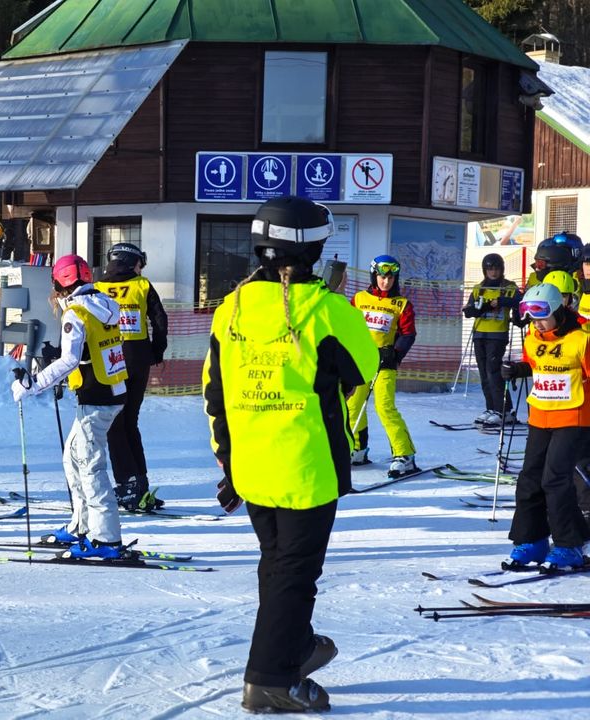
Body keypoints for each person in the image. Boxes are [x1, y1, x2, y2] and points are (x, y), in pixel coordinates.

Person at [203, 196, 378, 713]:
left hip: (251, 464)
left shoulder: (230, 308)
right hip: (307, 466)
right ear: (314, 250)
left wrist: (225, 455)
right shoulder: (328, 310)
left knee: (276, 564)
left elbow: (215, 391)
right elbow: (364, 368)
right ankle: (270, 679)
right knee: (295, 575)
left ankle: (296, 646)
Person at [10, 254, 130, 559]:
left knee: (90, 467)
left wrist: (33, 384)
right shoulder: (103, 303)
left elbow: (70, 360)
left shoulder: (76, 312)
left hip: (96, 396)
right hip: (110, 391)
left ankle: (106, 539)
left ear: (58, 285)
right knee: (72, 457)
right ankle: (81, 525)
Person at [500, 283, 590, 570]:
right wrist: (517, 369)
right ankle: (533, 540)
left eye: (542, 316)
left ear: (558, 311)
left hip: (573, 418)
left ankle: (569, 544)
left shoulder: (581, 340)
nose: (537, 323)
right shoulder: (532, 337)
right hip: (540, 416)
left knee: (555, 479)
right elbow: (535, 364)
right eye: (532, 317)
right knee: (529, 479)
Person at [93, 242, 169, 511]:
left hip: (110, 360)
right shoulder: (143, 286)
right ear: (130, 262)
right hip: (138, 359)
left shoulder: (97, 288)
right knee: (130, 421)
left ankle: (128, 484)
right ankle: (140, 484)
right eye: (139, 264)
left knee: (116, 423)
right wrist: (156, 351)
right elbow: (160, 321)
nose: (140, 270)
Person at [345, 254, 418, 477]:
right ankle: (358, 449)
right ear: (374, 276)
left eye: (391, 278)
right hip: (361, 361)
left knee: (384, 407)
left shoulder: (401, 304)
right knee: (353, 405)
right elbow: (349, 327)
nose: (386, 282)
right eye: (382, 277)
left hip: (385, 363)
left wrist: (395, 353)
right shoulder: (359, 299)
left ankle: (404, 454)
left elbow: (408, 334)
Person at [462, 253, 521, 427]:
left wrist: (501, 301)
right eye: (490, 269)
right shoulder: (479, 288)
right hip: (480, 334)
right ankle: (491, 408)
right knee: (484, 374)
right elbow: (470, 309)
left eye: (496, 269)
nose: (493, 273)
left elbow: (519, 301)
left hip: (497, 334)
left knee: (493, 372)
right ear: (485, 270)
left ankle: (503, 410)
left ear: (502, 269)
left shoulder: (509, 287)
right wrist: (472, 309)